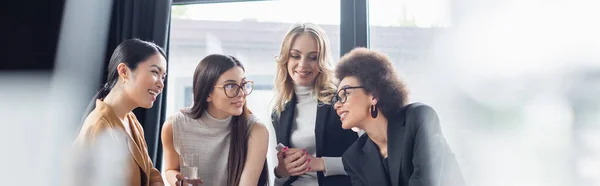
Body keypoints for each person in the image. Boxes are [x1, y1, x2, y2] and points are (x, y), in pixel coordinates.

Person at [333, 48, 466, 186]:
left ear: (373, 95)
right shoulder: (353, 158)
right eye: (337, 98)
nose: (337, 105)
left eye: (345, 94)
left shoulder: (419, 119)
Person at [270, 22, 358, 186]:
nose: (303, 65)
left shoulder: (341, 100)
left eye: (313, 57)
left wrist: (320, 163)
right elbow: (279, 180)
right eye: (295, 55)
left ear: (322, 61)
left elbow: (371, 161)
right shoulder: (279, 111)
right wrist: (281, 171)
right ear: (285, 59)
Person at [161, 54, 269, 186]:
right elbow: (170, 169)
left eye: (243, 84)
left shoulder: (256, 130)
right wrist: (181, 182)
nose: (241, 93)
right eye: (230, 86)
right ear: (207, 94)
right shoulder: (174, 126)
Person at [74, 38, 167, 186]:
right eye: (155, 72)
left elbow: (150, 174)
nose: (161, 84)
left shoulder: (131, 120)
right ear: (124, 71)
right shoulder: (98, 127)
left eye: (163, 77)